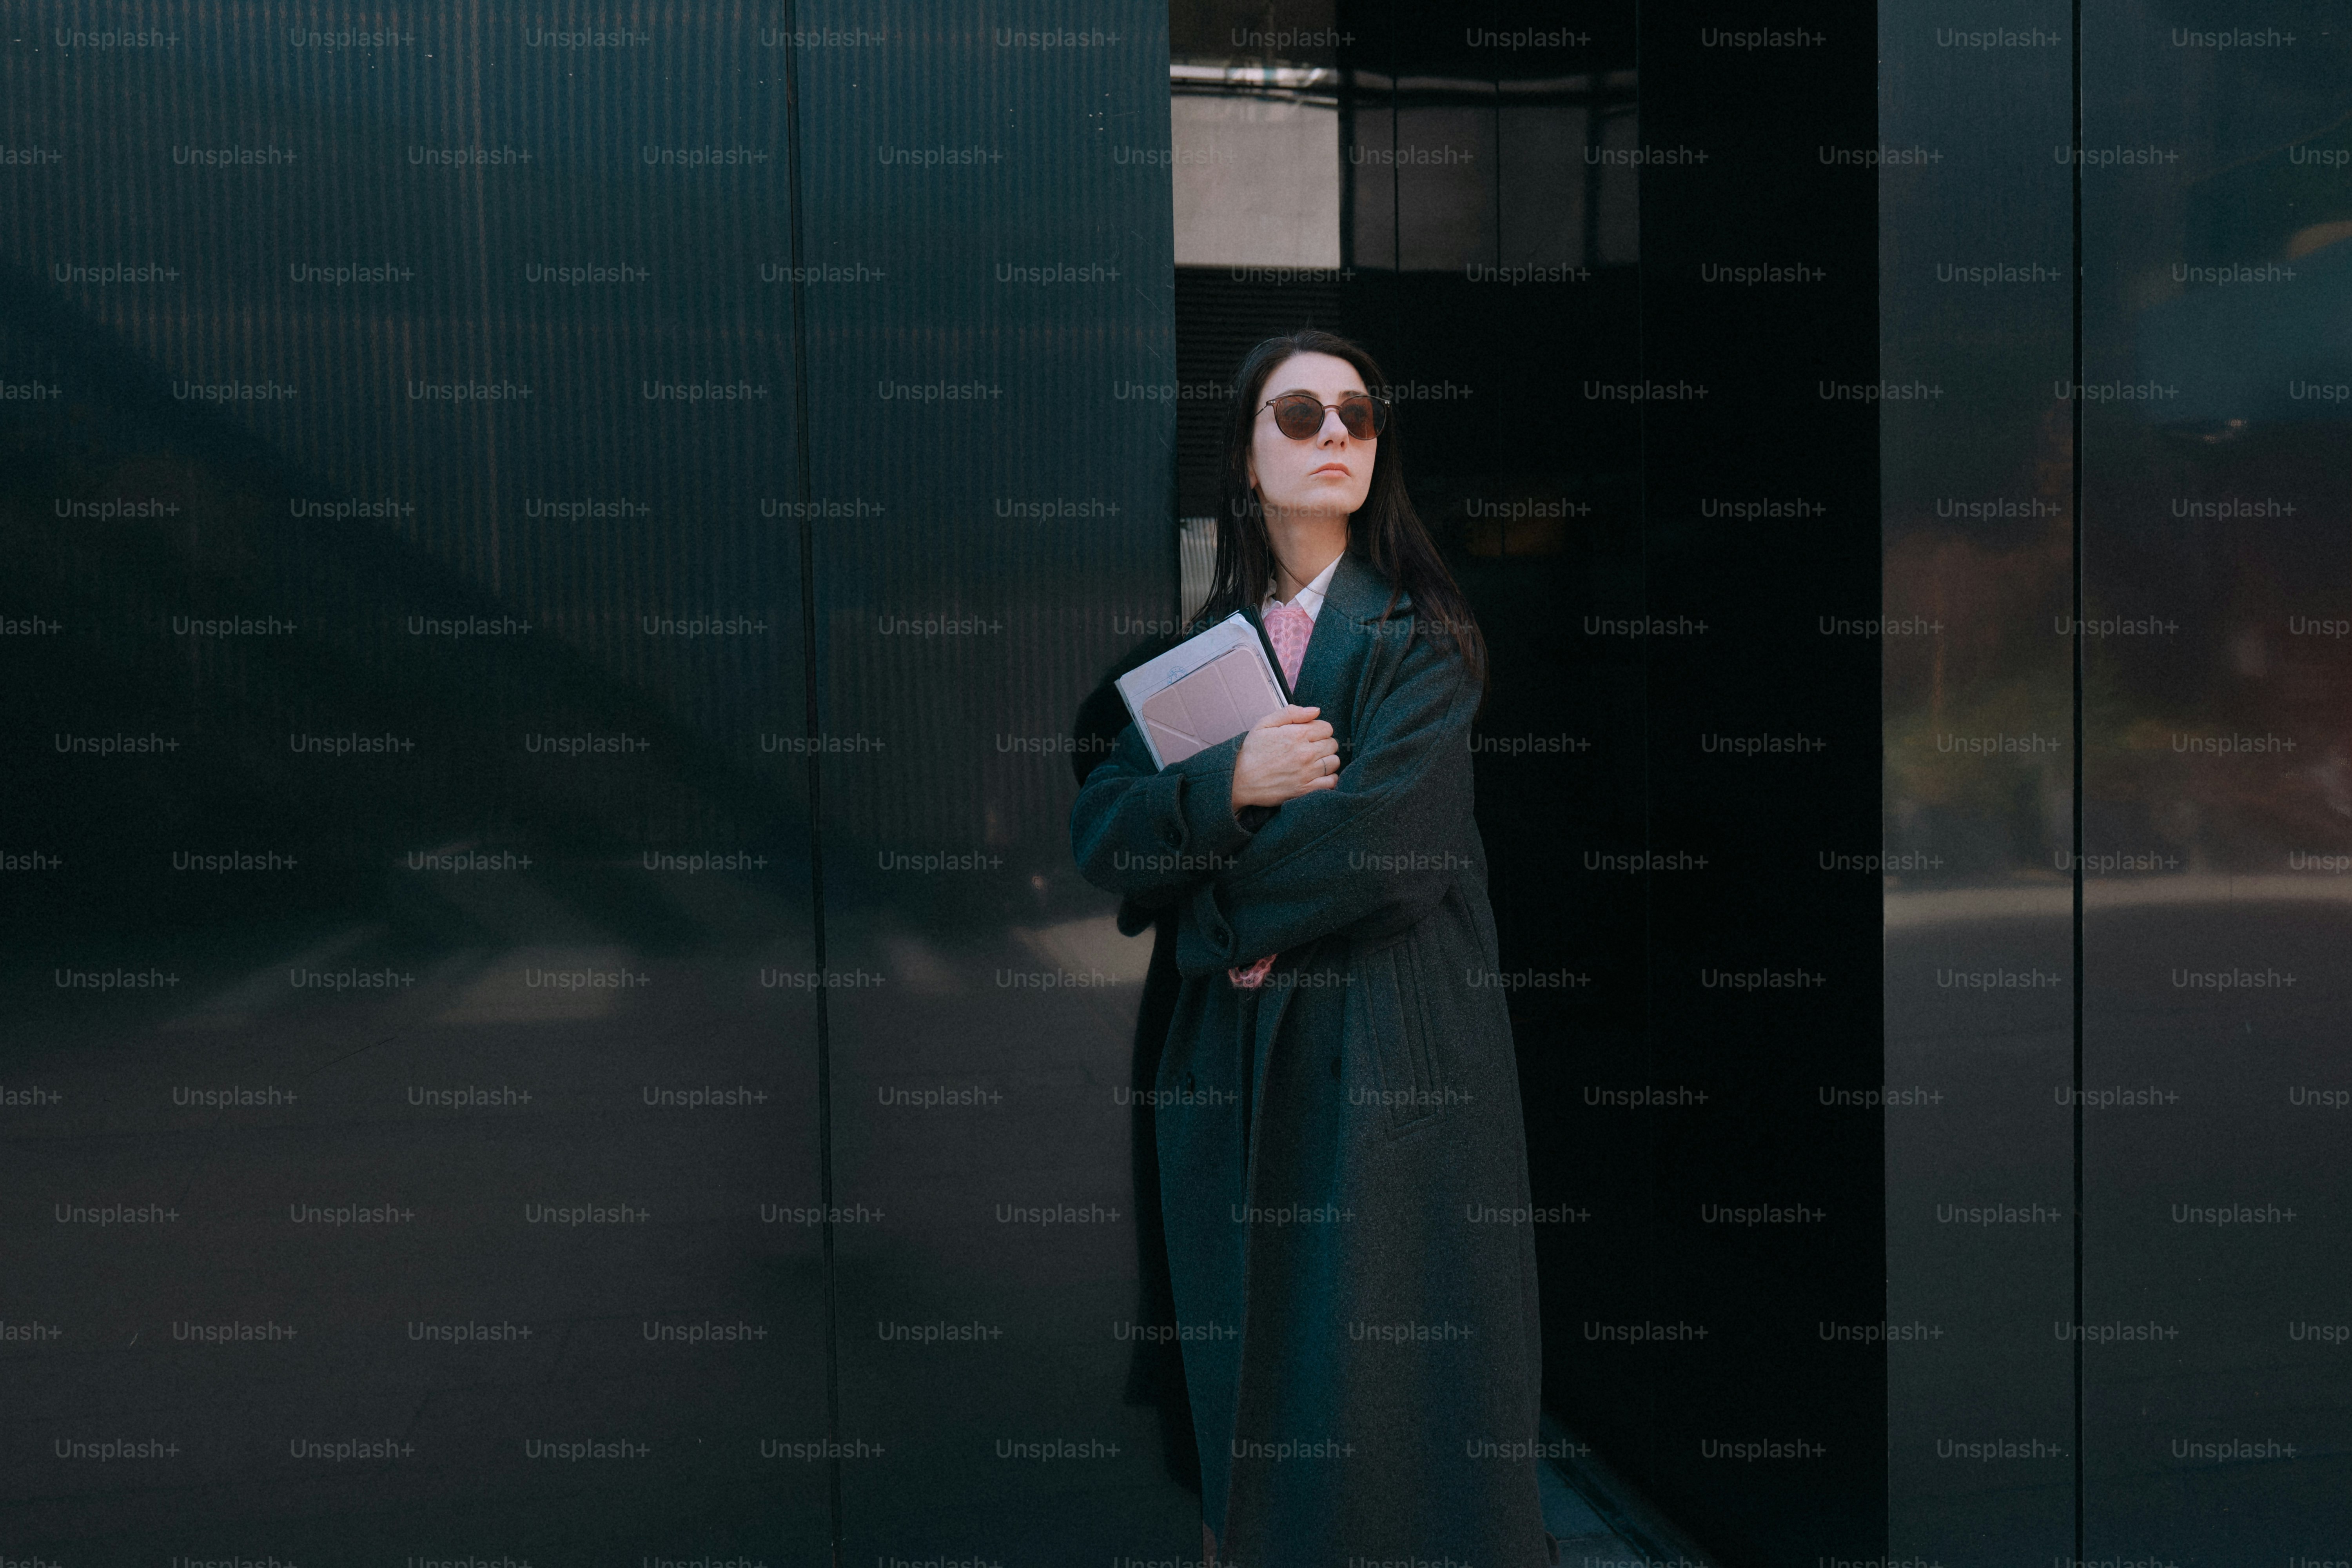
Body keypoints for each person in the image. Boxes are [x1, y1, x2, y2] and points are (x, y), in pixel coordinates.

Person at [1070, 330, 1555, 1564]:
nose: (1335, 432)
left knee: (1387, 1388)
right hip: (1229, 1068)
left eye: (1356, 413)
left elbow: (1389, 856)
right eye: (1299, 416)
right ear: (1244, 459)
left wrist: (1216, 918)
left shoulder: (1420, 638)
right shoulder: (1198, 665)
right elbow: (1110, 838)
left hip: (1384, 1053)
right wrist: (1230, 783)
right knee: (1252, 1385)